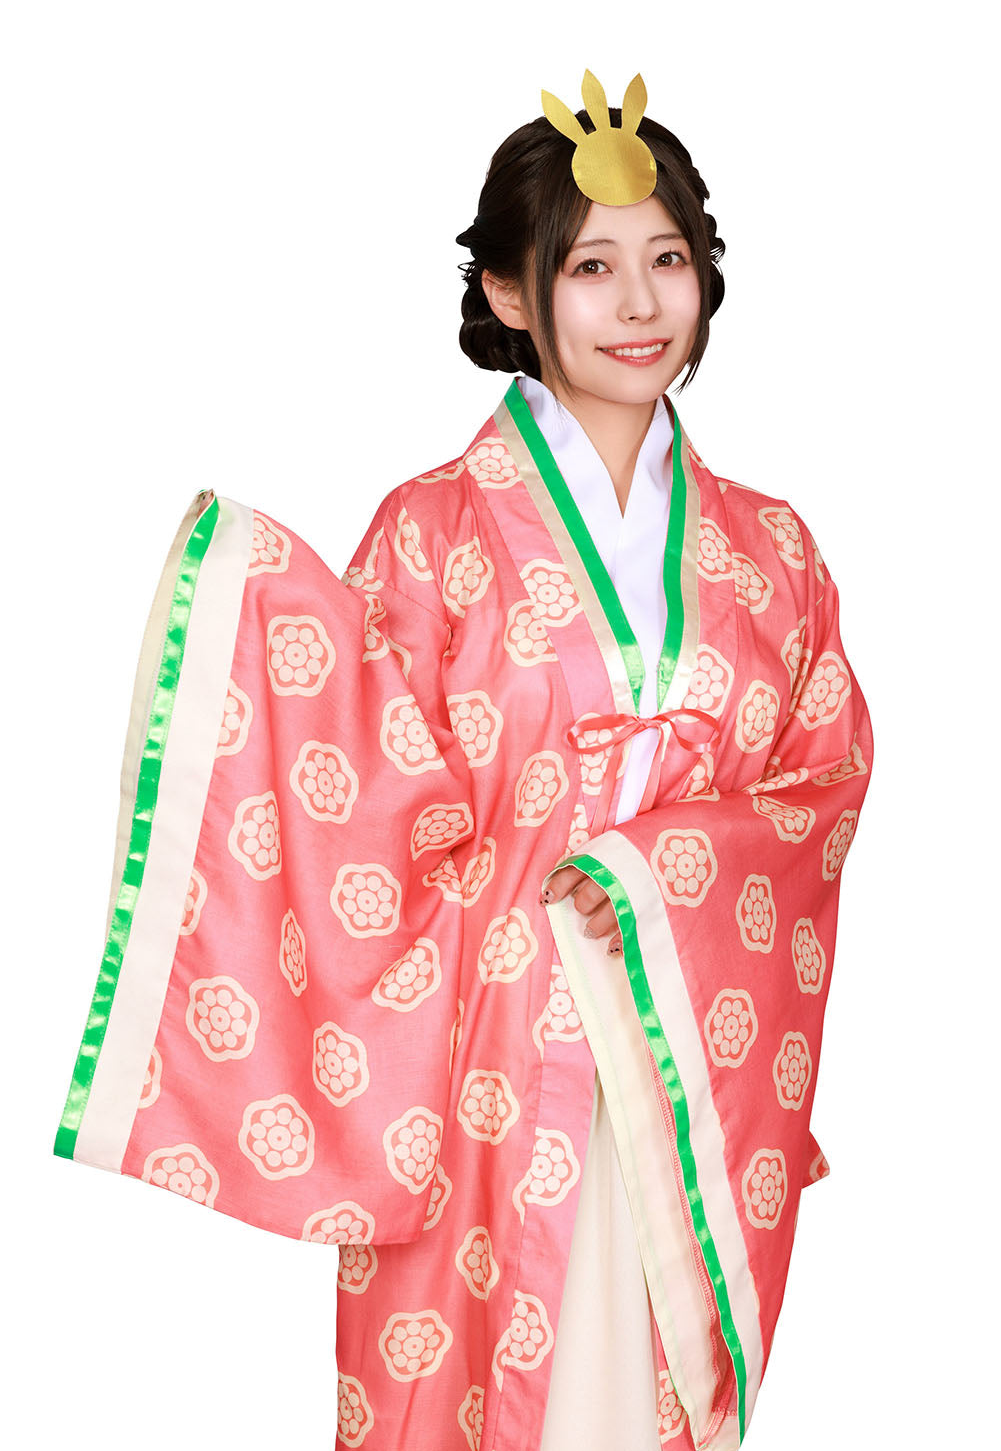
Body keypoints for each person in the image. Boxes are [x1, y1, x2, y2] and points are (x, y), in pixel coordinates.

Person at [55, 72, 872, 1451]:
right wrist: (251, 616)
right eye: (591, 267)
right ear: (507, 292)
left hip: (688, 1065)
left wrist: (657, 867)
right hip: (485, 1058)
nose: (640, 304)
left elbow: (819, 791)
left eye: (668, 260)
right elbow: (355, 807)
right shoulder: (432, 533)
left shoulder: (774, 549)